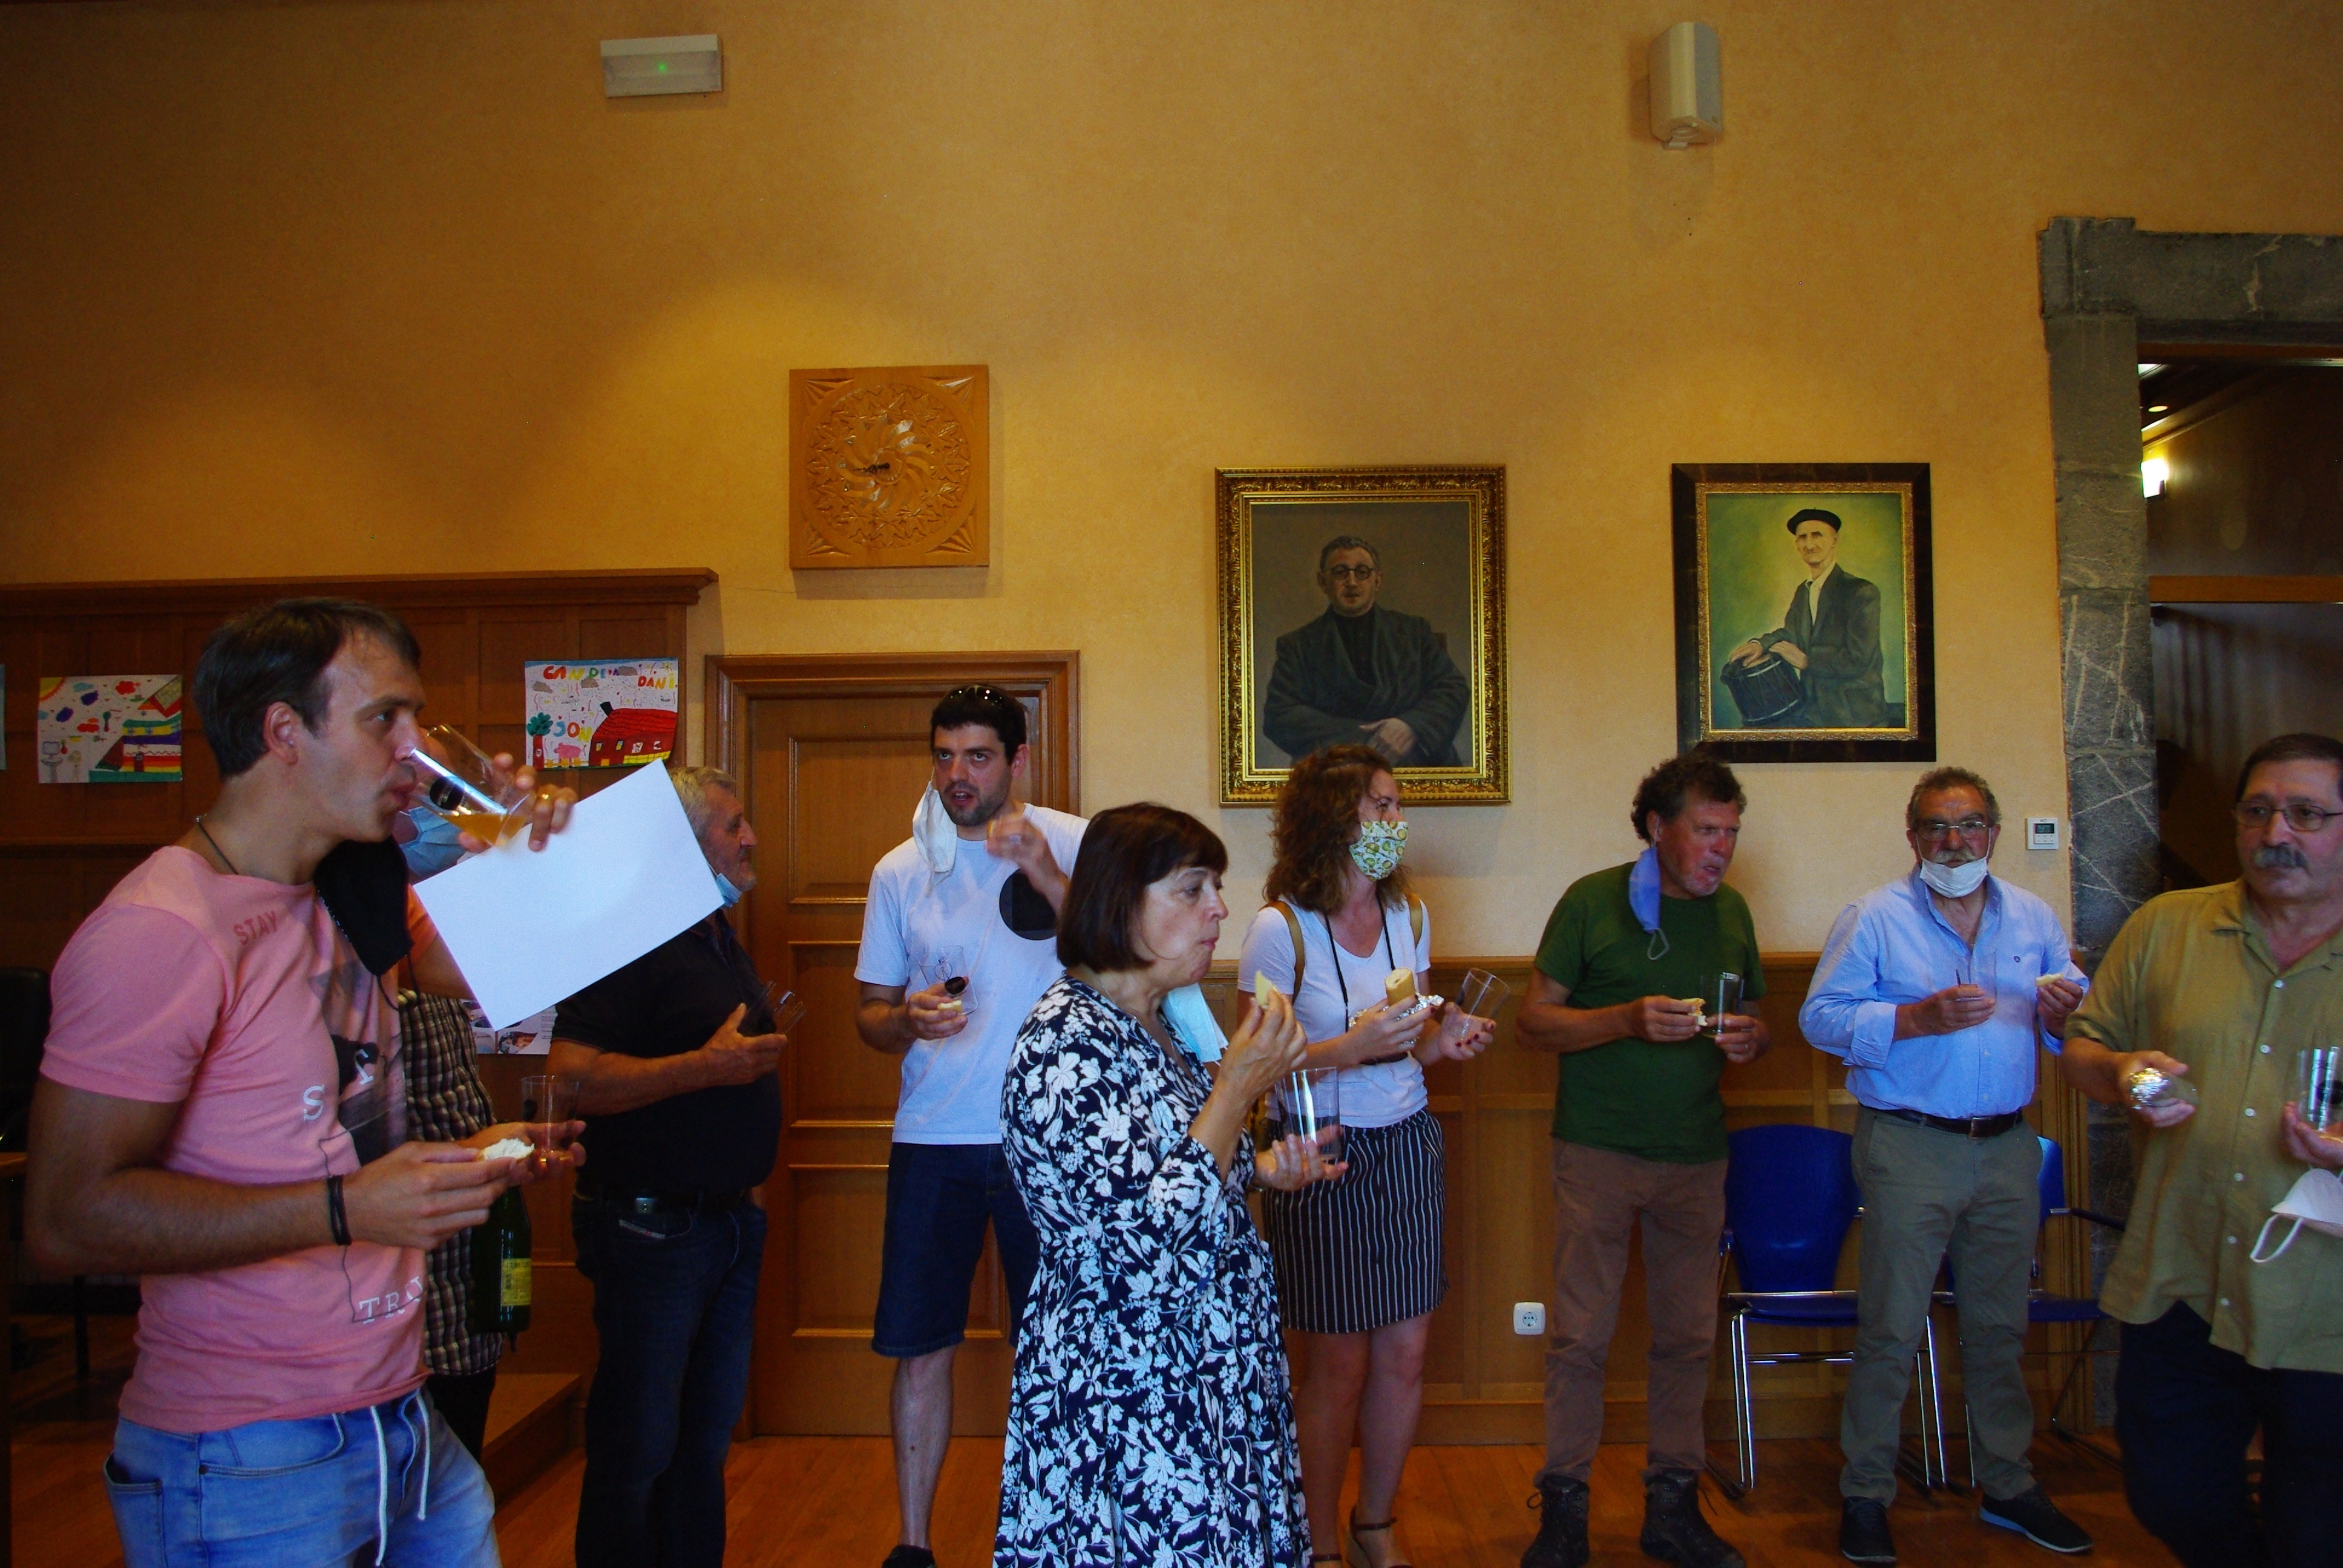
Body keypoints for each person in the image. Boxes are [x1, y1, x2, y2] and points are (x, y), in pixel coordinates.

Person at [24, 597, 581, 1567]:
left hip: (399, 1416)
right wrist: (348, 1208)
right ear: (284, 731)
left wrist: (540, 852)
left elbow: (523, 961)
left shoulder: (346, 891)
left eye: (417, 720)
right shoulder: (160, 930)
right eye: (384, 720)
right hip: (246, 1451)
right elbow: (67, 1219)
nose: (416, 750)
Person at [994, 802, 1340, 1566]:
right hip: (1133, 1388)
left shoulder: (1162, 1018)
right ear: (1120, 900)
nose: (1219, 909)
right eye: (1191, 889)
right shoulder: (1064, 1044)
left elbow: (1173, 1168)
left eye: (1215, 887)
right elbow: (1143, 1248)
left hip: (1205, 1369)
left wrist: (1260, 1170)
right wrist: (1236, 1089)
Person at [2059, 732, 2343, 1568]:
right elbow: (2086, 1047)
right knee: (2170, 1497)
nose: (2275, 833)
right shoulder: (2168, 925)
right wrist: (2125, 1074)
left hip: (2323, 1308)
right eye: (2257, 811)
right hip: (2181, 1281)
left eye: (2306, 814)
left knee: (2317, 1532)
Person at [1801, 767, 2094, 1563]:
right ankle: (1866, 1494)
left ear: (1992, 834)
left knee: (2000, 1328)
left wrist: (2067, 1016)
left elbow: (2069, 1022)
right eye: (1936, 827)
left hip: (2007, 1148)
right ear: (1912, 838)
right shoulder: (1874, 917)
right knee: (1891, 1327)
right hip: (1909, 1143)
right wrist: (1912, 1018)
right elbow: (1818, 1019)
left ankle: (2008, 1485)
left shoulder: (2033, 916)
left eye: (1967, 827)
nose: (1953, 842)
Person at [1237, 744, 1493, 1568]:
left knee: (1406, 1354)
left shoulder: (1409, 916)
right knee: (1337, 1364)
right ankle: (1317, 1542)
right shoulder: (1281, 929)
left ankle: (1374, 1524)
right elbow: (1250, 1067)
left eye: (1395, 805)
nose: (1395, 821)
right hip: (1322, 1153)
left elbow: (1412, 1045)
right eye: (1379, 806)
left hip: (1408, 1141)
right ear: (1332, 818)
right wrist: (1347, 1048)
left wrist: (1446, 1040)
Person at [1515, 750, 1769, 1568]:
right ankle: (1564, 1510)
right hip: (1598, 1152)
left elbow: (1754, 1020)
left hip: (1696, 1156)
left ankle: (1673, 1508)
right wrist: (1623, 1019)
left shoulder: (1733, 913)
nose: (1720, 849)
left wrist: (1751, 1039)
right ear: (1658, 828)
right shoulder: (1592, 902)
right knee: (1580, 1337)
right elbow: (1533, 1023)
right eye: (1706, 831)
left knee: (1688, 1338)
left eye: (1730, 833)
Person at [853, 685, 1087, 1568]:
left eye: (978, 756)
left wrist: (1047, 874)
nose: (958, 774)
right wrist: (905, 1019)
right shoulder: (898, 870)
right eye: (944, 755)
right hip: (933, 1138)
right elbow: (869, 1015)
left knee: (1056, 1351)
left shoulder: (1072, 842)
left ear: (1017, 761)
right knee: (919, 1350)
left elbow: (1124, 957)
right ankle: (913, 1544)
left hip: (1048, 1140)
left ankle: (1056, 1540)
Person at [549, 764, 789, 1568]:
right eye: (733, 825)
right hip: (651, 1230)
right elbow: (569, 1079)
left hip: (726, 1224)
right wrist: (702, 1070)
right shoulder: (628, 940)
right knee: (638, 1447)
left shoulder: (713, 935)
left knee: (700, 1445)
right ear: (680, 847)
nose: (751, 838)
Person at [394, 803, 508, 1463]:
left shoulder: (404, 907)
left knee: (461, 1474)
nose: (447, 821)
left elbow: (491, 972)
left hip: (459, 1258)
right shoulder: (342, 914)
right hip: (396, 1276)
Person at [1263, 535, 1470, 768]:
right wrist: (1367, 740)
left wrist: (1410, 726)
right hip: (1336, 769)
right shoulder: (1298, 645)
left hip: (1418, 766)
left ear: (1377, 581)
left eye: (1362, 572)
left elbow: (1452, 688)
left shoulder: (1415, 633)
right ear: (1323, 582)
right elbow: (1280, 715)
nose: (1352, 582)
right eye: (1340, 572)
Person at [1728, 508, 1886, 727]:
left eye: (1817, 535)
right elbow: (1791, 634)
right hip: (1811, 708)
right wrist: (1759, 645)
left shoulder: (1860, 592)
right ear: (1797, 545)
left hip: (1854, 714)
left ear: (1834, 541)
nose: (1809, 544)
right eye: (1802, 537)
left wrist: (1807, 661)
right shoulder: (1804, 591)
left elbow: (1858, 659)